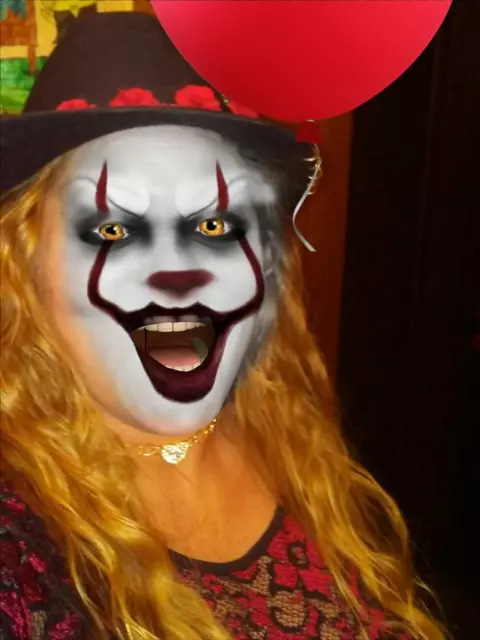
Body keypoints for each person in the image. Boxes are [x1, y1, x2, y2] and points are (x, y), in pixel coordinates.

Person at [0, 11, 446, 640]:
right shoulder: (18, 548)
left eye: (215, 225)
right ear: (25, 265)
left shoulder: (286, 436)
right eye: (114, 229)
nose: (178, 275)